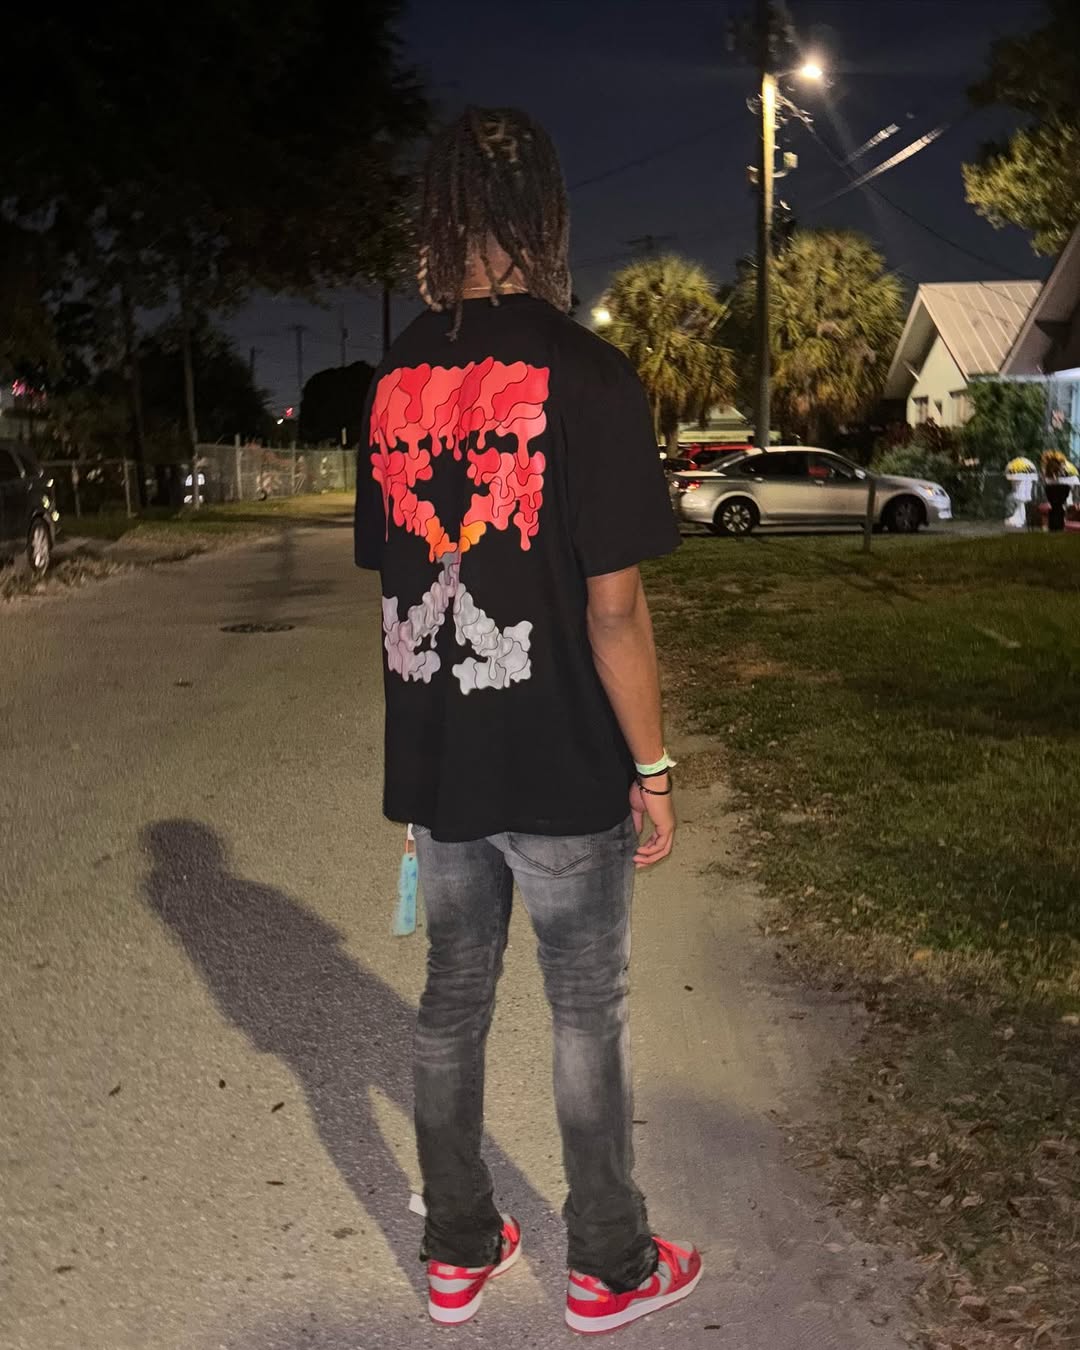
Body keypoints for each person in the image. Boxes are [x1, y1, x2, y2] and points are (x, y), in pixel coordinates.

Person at [354, 106, 701, 1336]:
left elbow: (399, 589)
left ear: (439, 212)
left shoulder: (395, 379)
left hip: (444, 761)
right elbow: (615, 612)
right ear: (545, 213)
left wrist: (418, 763)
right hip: (560, 762)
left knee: (451, 997)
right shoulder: (589, 375)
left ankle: (457, 1249)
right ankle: (608, 1264)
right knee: (584, 1011)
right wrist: (652, 767)